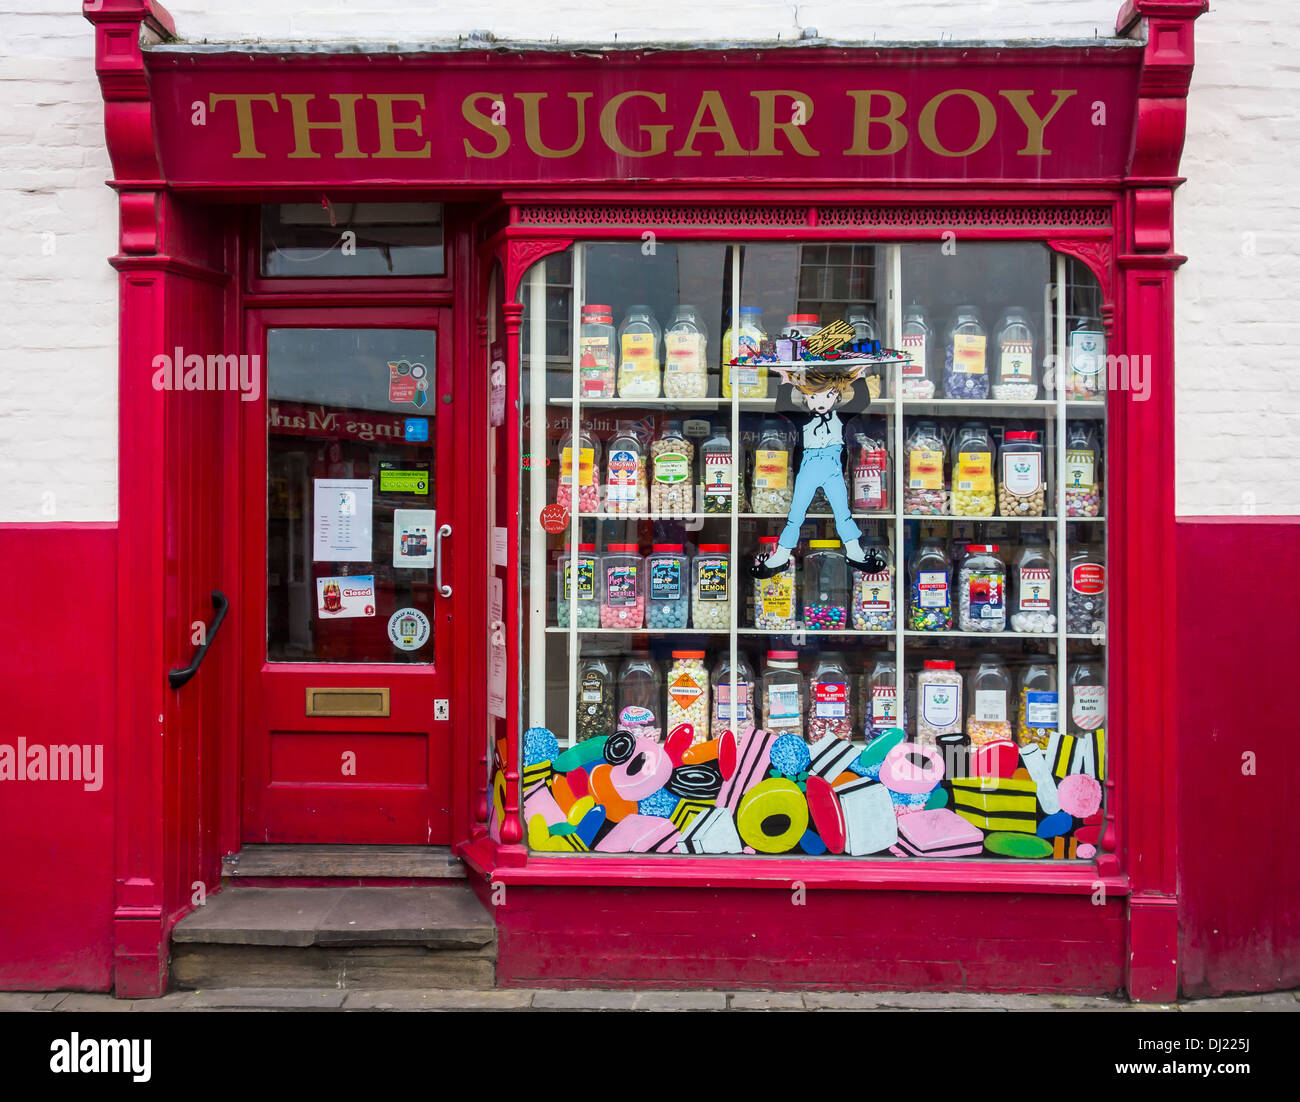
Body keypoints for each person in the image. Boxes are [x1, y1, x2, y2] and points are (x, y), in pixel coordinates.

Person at [751, 362, 887, 578]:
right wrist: (785, 382)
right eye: (814, 397)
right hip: (809, 466)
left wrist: (860, 376)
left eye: (827, 396)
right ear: (806, 398)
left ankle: (854, 552)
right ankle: (781, 556)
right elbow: (783, 405)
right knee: (796, 514)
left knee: (843, 513)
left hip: (832, 467)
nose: (821, 402)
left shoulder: (841, 416)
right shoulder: (803, 419)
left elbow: (862, 401)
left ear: (836, 396)